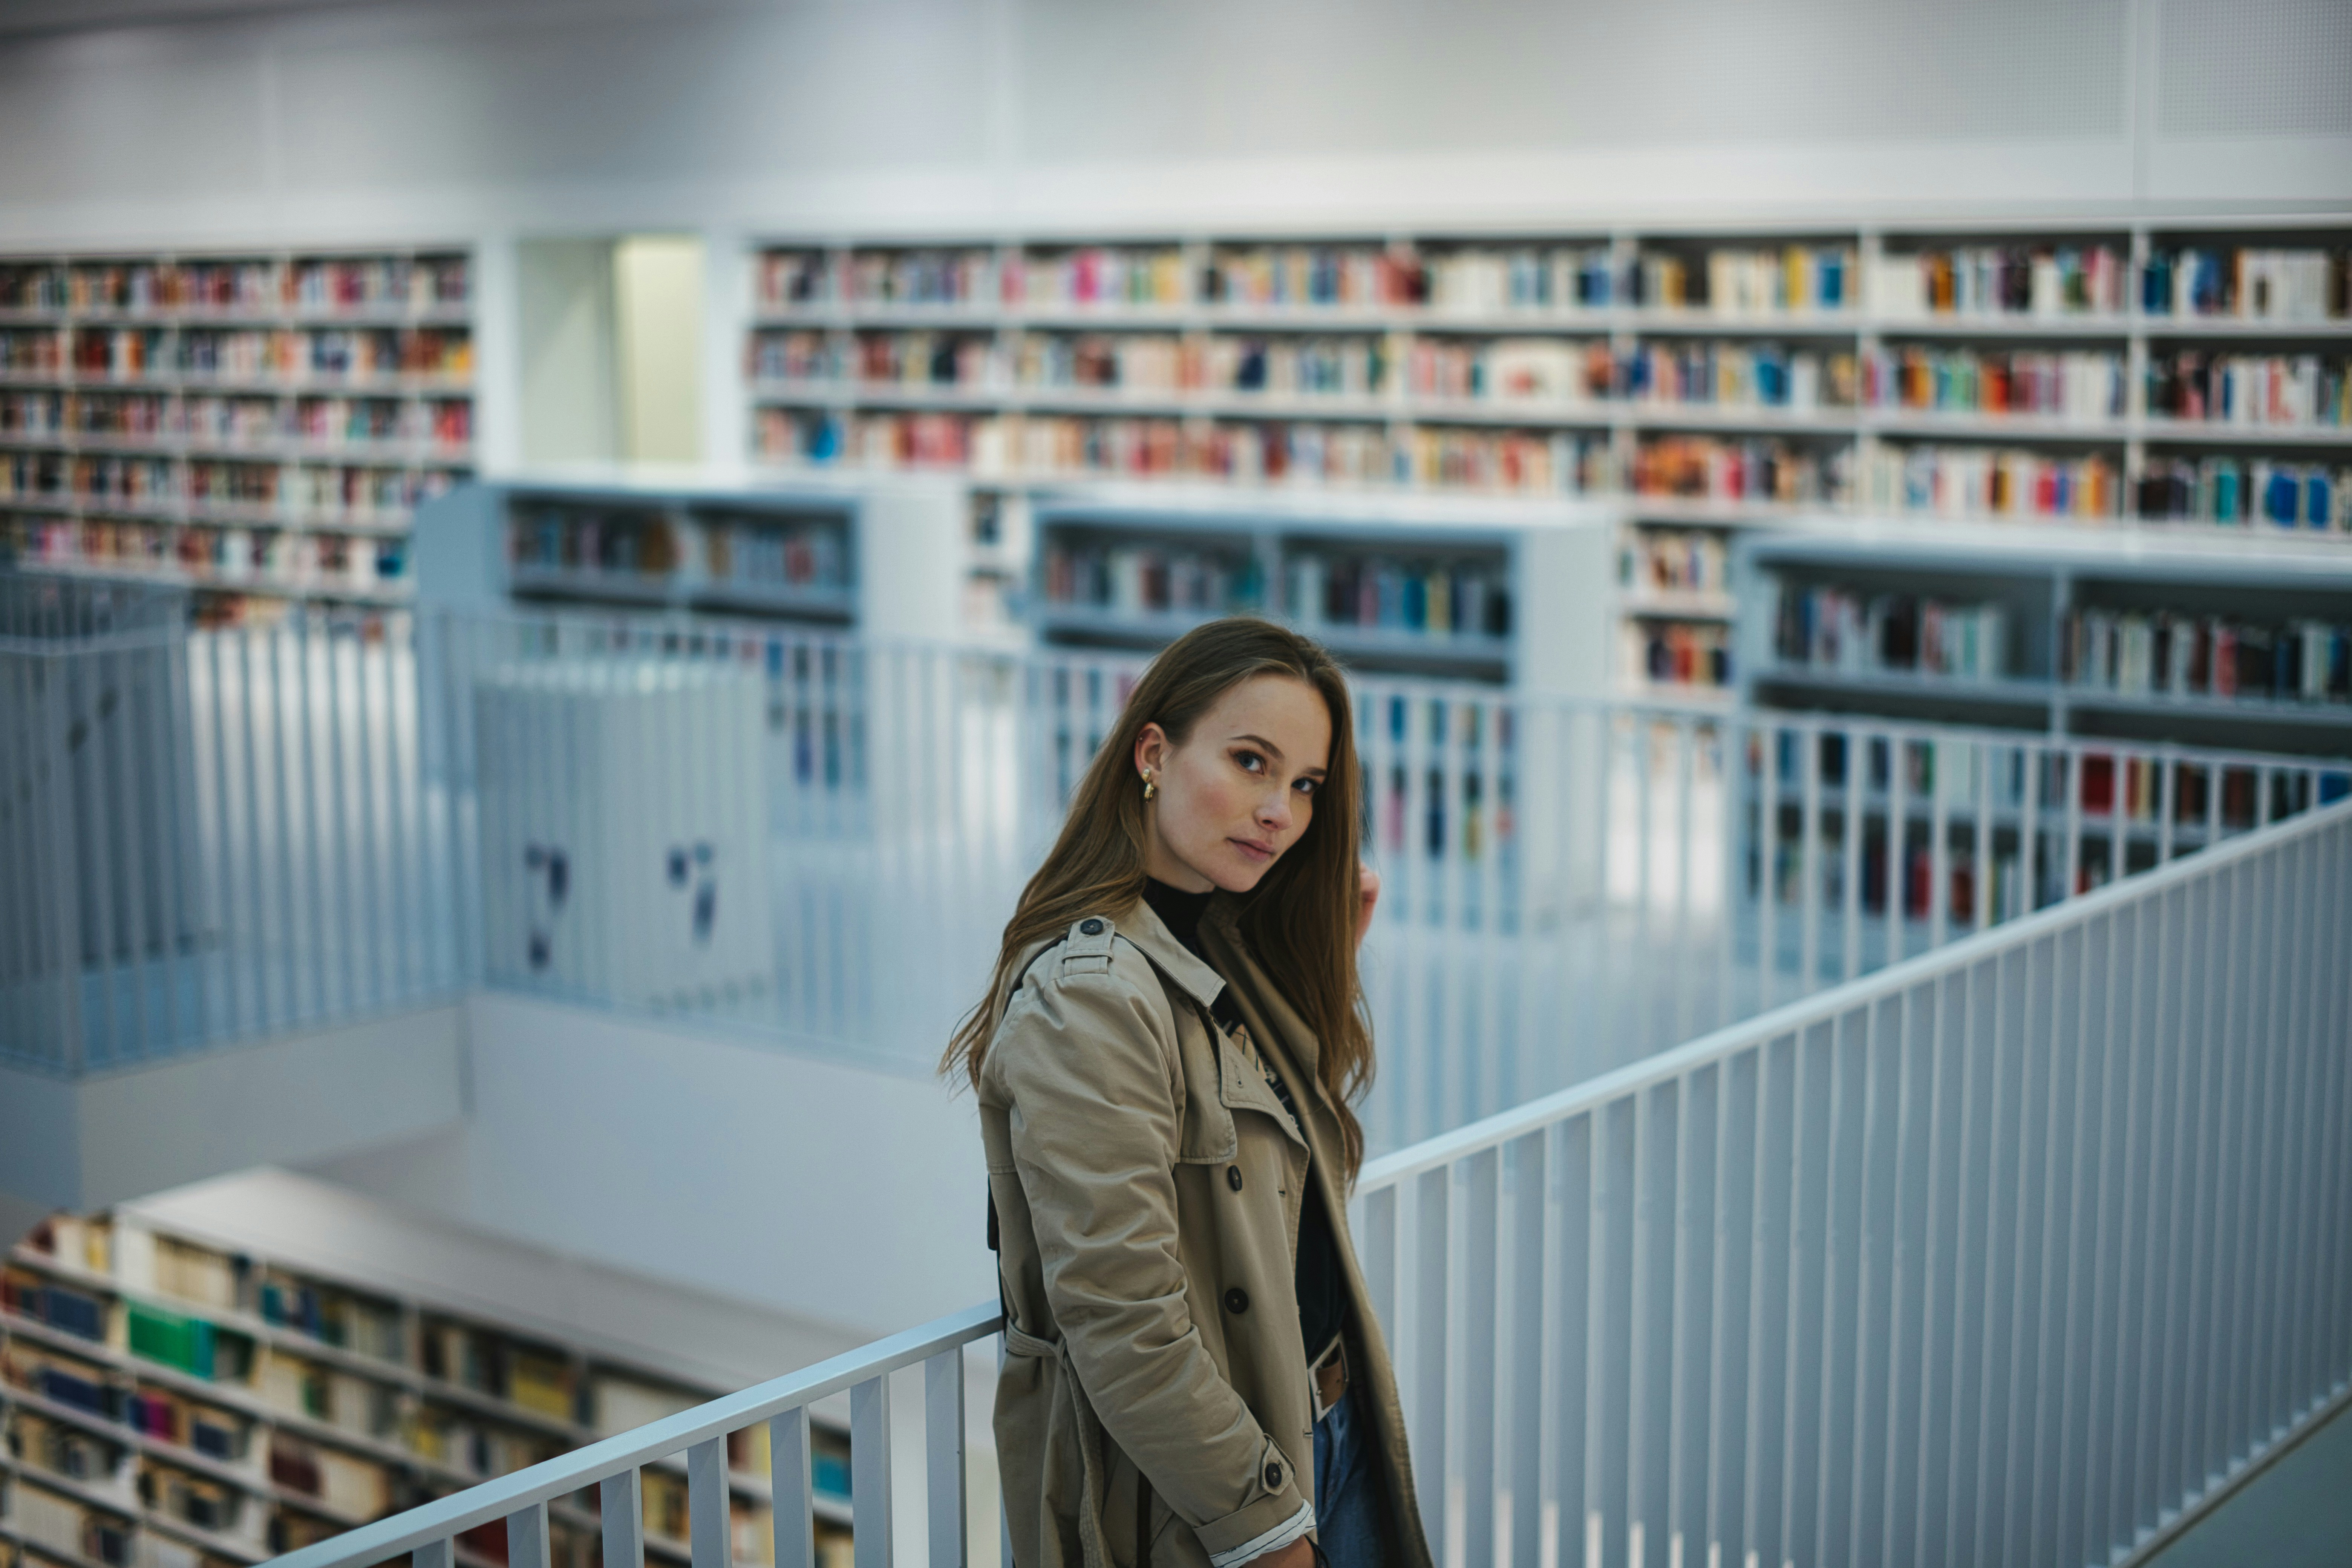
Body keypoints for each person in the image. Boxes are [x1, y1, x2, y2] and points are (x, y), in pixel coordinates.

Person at [943, 618, 1432, 1568]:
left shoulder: (1220, 941)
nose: (1280, 812)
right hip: (1220, 1497)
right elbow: (1124, 1317)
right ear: (1154, 754)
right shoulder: (1091, 991)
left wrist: (1325, 971)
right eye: (1251, 762)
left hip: (1326, 1433)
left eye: (1305, 786)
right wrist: (1268, 1530)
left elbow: (1277, 1183)